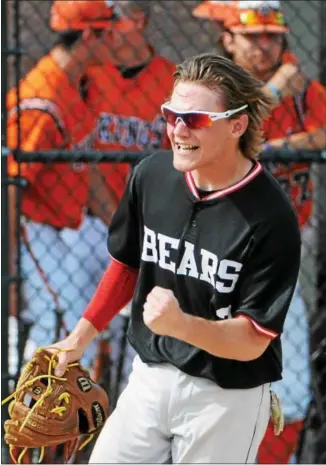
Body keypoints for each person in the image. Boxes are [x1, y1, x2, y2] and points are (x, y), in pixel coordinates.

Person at [49, 52, 301, 464]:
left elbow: (253, 340)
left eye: (196, 118)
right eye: (171, 114)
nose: (178, 128)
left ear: (237, 125)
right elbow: (128, 264)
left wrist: (181, 325)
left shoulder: (270, 216)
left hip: (226, 395)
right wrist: (79, 339)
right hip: (151, 374)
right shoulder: (152, 175)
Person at [191, 1, 326, 463]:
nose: (266, 45)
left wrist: (279, 146)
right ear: (227, 39)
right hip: (221, 254)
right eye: (253, 37)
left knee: (289, 388)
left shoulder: (302, 89)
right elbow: (219, 146)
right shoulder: (208, 88)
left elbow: (322, 132)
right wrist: (270, 96)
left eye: (272, 35)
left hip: (281, 255)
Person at [58, 0, 175, 388]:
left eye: (115, 21)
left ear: (137, 21)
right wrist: (112, 216)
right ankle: (63, 436)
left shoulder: (174, 82)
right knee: (71, 332)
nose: (108, 29)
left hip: (149, 233)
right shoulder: (91, 74)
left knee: (139, 354)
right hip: (91, 223)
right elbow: (80, 155)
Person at [6, 0, 123, 369]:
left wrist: (127, 231)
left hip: (55, 232)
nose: (117, 39)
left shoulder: (79, 82)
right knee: (63, 316)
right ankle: (26, 416)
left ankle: (47, 411)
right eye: (110, 31)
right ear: (89, 34)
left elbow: (88, 175)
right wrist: (7, 274)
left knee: (72, 320)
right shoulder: (44, 99)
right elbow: (9, 187)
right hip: (27, 227)